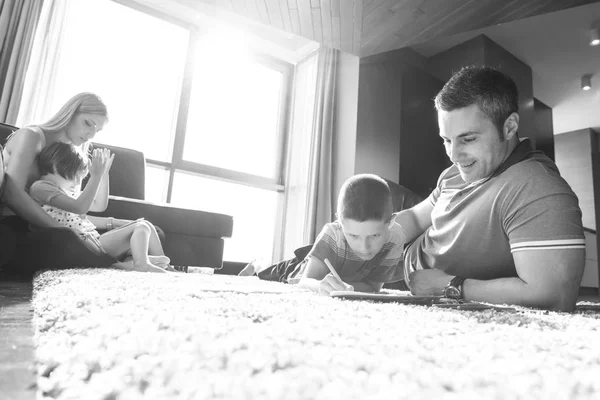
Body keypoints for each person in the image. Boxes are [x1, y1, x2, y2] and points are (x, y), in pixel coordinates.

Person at [395, 65, 585, 312]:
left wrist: (450, 286)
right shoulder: (455, 172)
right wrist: (373, 242)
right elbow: (413, 217)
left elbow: (554, 296)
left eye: (468, 139)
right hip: (395, 257)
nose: (453, 155)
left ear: (509, 126)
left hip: (411, 284)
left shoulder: (537, 187)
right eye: (447, 140)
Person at [0, 92, 163, 272]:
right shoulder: (32, 136)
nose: (90, 134)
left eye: (97, 130)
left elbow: (73, 212)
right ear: (71, 113)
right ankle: (126, 263)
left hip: (67, 227)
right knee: (67, 241)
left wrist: (115, 222)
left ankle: (129, 263)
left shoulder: (71, 153)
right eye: (88, 123)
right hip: (25, 225)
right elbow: (12, 193)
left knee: (151, 230)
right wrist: (63, 230)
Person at [241, 174, 407, 295]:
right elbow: (305, 281)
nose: (364, 247)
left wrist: (344, 287)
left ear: (391, 222)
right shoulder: (332, 235)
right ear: (340, 225)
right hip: (297, 269)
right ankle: (257, 264)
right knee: (269, 273)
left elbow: (374, 287)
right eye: (353, 236)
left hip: (336, 271)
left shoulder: (396, 237)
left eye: (374, 236)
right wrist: (321, 286)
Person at [29, 142, 170, 273]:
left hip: (92, 242)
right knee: (141, 228)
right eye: (76, 176)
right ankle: (141, 264)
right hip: (82, 246)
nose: (77, 182)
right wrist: (95, 176)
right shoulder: (41, 187)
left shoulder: (65, 191)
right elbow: (80, 208)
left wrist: (103, 174)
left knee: (146, 226)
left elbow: (99, 205)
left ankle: (160, 266)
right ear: (56, 166)